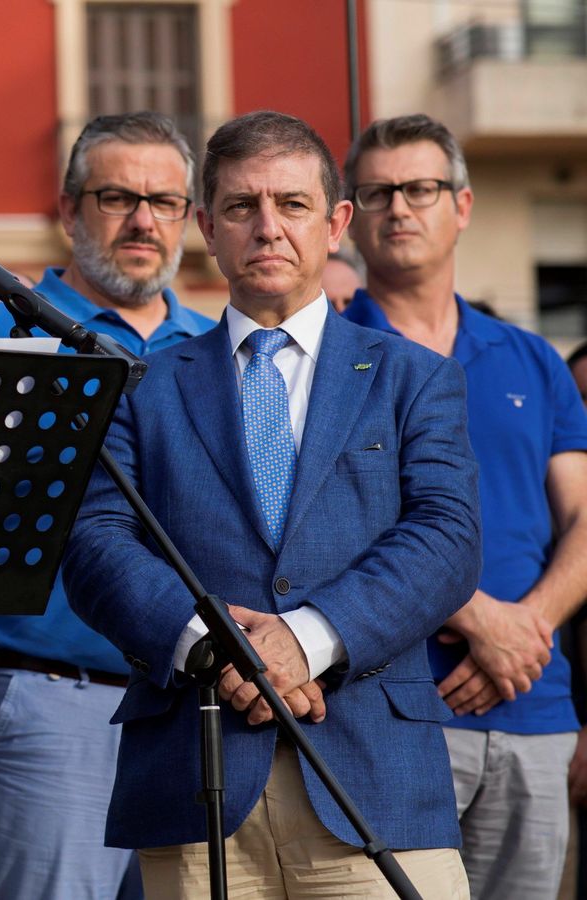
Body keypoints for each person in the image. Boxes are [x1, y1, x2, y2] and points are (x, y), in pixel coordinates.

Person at [63, 110, 481, 898]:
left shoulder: (415, 378)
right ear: (206, 227)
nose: (268, 227)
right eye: (241, 206)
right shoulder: (138, 388)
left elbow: (447, 539)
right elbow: (94, 546)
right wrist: (218, 648)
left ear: (337, 223)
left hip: (374, 786)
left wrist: (304, 639)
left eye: (292, 204)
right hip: (194, 779)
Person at [0, 111, 212, 900]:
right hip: (52, 706)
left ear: (189, 218)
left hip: (194, 713)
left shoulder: (216, 351)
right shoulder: (0, 339)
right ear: (69, 210)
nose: (143, 221)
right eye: (117, 197)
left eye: (164, 202)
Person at [340, 113, 587, 899]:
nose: (398, 208)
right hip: (394, 713)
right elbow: (332, 527)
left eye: (420, 188)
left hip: (532, 704)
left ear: (463, 204)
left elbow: (582, 519)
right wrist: (480, 620)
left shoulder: (533, 358)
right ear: (350, 215)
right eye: (377, 192)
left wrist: (526, 630)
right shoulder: (330, 358)